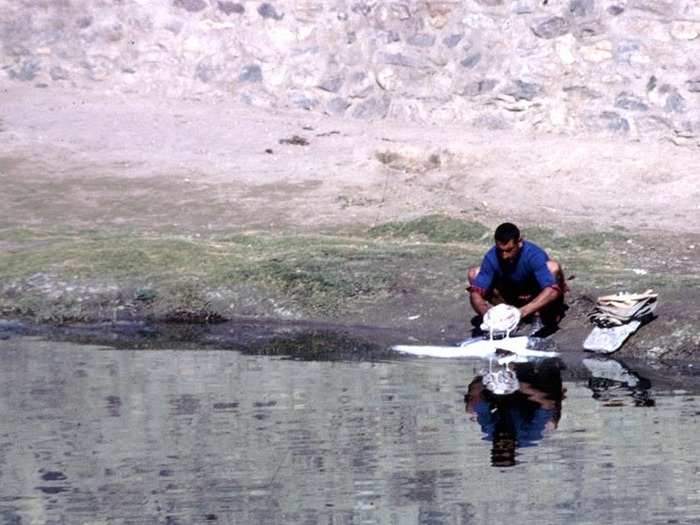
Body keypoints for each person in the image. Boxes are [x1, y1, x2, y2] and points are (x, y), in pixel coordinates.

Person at [467, 222, 568, 332]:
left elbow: (552, 291)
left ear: (519, 242)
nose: (504, 256)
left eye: (509, 250)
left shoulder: (533, 254)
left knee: (553, 267)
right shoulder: (492, 256)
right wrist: (487, 314)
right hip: (510, 297)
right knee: (474, 274)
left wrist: (521, 313)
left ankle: (539, 316)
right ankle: (505, 319)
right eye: (501, 251)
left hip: (534, 296)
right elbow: (476, 293)